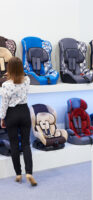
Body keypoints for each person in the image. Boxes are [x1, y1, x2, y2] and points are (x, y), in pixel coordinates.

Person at [0, 57, 37, 186]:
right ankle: (29, 173)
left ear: (8, 69)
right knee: (26, 143)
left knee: (14, 144)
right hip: (24, 111)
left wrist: (2, 118)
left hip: (11, 113)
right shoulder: (27, 80)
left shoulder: (5, 85)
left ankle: (18, 174)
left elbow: (4, 104)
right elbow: (21, 77)